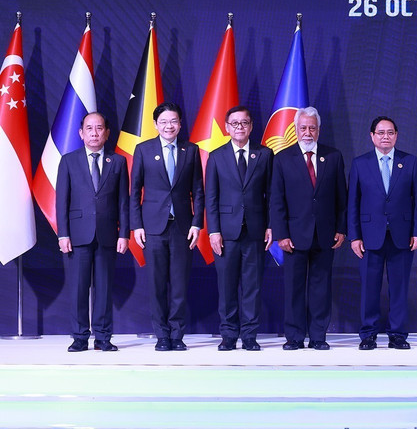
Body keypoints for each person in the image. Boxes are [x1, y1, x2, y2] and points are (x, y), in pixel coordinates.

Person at [271, 107, 346, 350]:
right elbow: (276, 200)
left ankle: (318, 336)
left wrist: (341, 229)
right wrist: (281, 234)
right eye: (303, 127)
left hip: (325, 235)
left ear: (318, 130)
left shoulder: (333, 157)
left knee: (320, 287)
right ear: (295, 129)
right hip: (293, 236)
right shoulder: (282, 158)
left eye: (312, 127)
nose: (307, 132)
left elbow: (341, 199)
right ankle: (294, 336)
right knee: (293, 288)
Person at [130, 102, 204, 351]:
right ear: (155, 125)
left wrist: (197, 223)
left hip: (182, 227)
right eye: (163, 122)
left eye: (173, 121)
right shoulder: (143, 149)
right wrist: (136, 224)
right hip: (152, 227)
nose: (168, 126)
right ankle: (162, 335)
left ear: (180, 124)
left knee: (180, 284)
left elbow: (199, 191)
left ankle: (177, 335)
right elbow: (134, 191)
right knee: (157, 282)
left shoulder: (190, 150)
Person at [348, 116, 417, 350]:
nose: (385, 136)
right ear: (372, 136)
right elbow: (353, 202)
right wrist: (354, 236)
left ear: (396, 135)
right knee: (369, 288)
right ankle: (368, 334)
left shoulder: (409, 162)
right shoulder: (360, 163)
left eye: (390, 132)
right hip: (370, 235)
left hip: (402, 235)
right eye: (380, 132)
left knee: (399, 287)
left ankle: (398, 334)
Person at [56, 112, 129, 352]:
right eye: (90, 128)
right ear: (81, 133)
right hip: (77, 235)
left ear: (107, 133)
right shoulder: (68, 160)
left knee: (104, 288)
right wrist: (63, 234)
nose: (95, 133)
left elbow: (123, 202)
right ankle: (79, 337)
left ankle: (103, 337)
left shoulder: (117, 162)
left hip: (108, 234)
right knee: (78, 288)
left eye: (99, 128)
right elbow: (61, 201)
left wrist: (124, 233)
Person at [206, 106, 274, 351]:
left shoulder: (264, 154)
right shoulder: (216, 156)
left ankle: (249, 336)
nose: (239, 127)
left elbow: (272, 195)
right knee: (227, 286)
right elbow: (211, 197)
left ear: (251, 126)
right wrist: (213, 231)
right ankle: (228, 335)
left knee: (252, 286)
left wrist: (270, 225)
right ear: (227, 127)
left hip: (255, 231)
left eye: (244, 123)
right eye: (234, 123)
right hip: (226, 232)